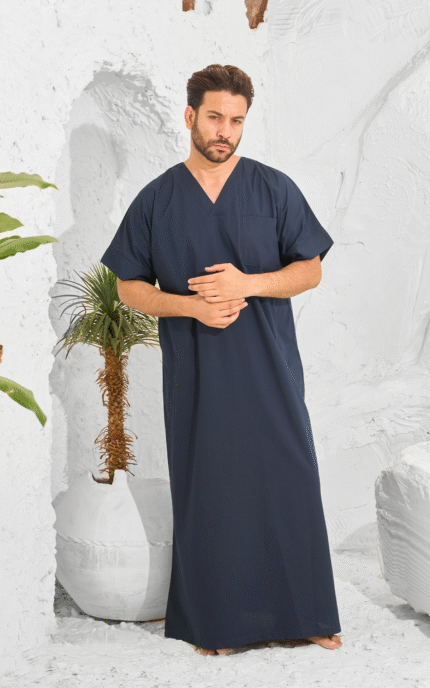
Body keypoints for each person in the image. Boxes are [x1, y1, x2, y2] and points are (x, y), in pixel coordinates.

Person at [100, 64, 342, 657]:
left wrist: (247, 284)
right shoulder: (158, 199)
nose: (225, 131)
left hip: (270, 366)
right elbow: (128, 285)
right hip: (197, 372)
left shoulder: (273, 189)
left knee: (289, 478)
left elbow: (310, 269)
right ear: (190, 116)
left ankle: (308, 615)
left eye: (236, 120)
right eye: (214, 117)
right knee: (211, 489)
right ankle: (220, 626)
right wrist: (191, 307)